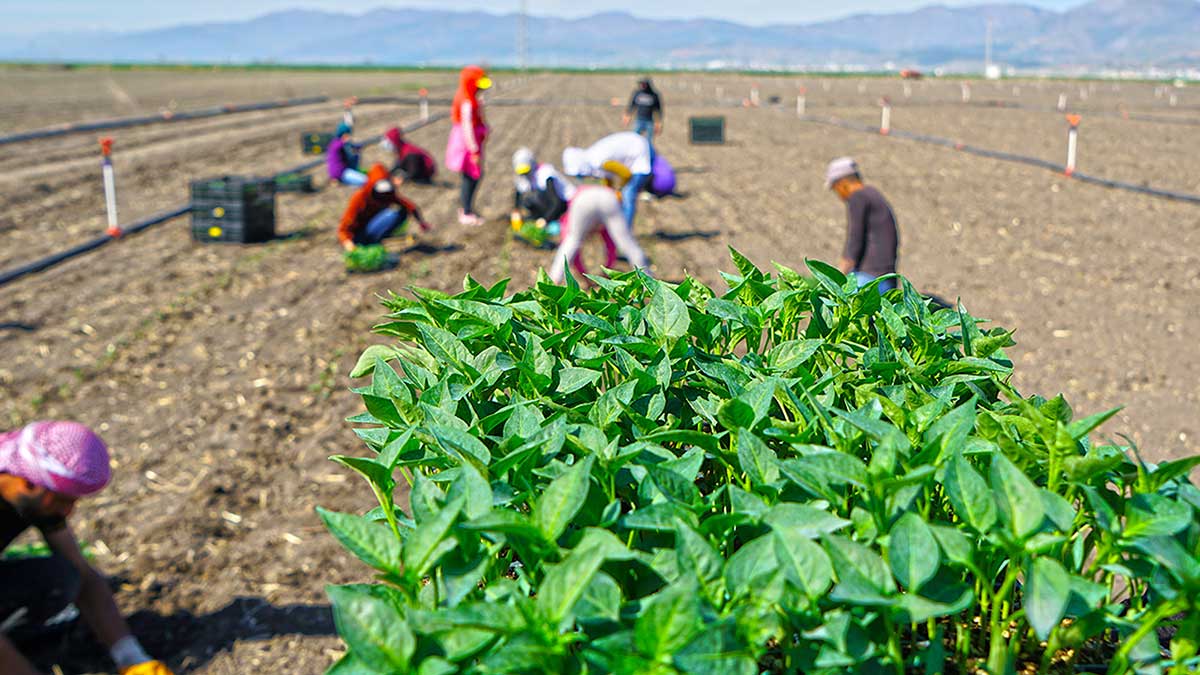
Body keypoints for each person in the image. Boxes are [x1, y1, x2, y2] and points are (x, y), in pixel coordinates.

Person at [0, 421, 174, 675]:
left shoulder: (30, 488)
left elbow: (82, 573)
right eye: (62, 500)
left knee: (60, 578)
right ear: (29, 483)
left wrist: (133, 659)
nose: (68, 511)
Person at [511, 148, 617, 276]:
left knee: (572, 240)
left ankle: (603, 270)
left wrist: (545, 220)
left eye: (526, 171)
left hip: (569, 205)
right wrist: (516, 211)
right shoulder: (524, 177)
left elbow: (557, 201)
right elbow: (519, 193)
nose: (525, 175)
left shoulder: (545, 174)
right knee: (530, 203)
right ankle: (584, 275)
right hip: (559, 206)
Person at [825, 157, 899, 293]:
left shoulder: (858, 197)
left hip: (869, 279)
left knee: (834, 306)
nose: (839, 195)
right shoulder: (872, 194)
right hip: (887, 279)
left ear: (843, 183)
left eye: (836, 189)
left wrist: (837, 278)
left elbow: (854, 242)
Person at [548, 186, 649, 285]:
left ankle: (554, 280)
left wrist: (585, 277)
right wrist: (606, 271)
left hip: (583, 198)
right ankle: (647, 278)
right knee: (626, 242)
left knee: (572, 241)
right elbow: (611, 247)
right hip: (608, 196)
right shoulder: (603, 225)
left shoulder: (569, 220)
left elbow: (574, 254)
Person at [561, 131, 653, 232]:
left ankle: (625, 232)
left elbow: (626, 174)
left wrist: (619, 189)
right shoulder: (593, 159)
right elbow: (608, 177)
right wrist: (610, 193)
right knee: (621, 196)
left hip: (638, 149)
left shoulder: (598, 161)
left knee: (628, 194)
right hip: (632, 147)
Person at [338, 164, 432, 252]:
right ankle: (370, 242)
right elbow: (344, 227)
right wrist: (347, 242)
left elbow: (409, 206)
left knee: (399, 212)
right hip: (357, 235)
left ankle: (375, 240)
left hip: (371, 228)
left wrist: (421, 222)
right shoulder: (360, 198)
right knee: (391, 213)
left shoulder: (387, 195)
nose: (382, 195)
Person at [445, 65, 492, 226]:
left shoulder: (470, 98)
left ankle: (467, 209)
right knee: (471, 176)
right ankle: (466, 211)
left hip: (469, 143)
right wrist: (474, 150)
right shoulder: (466, 101)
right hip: (467, 145)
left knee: (471, 176)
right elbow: (467, 127)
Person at [622, 77, 662, 149]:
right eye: (641, 84)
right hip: (639, 120)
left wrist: (658, 123)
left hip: (649, 122)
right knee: (634, 139)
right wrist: (627, 116)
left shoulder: (654, 95)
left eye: (644, 84)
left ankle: (649, 156)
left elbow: (658, 110)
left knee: (649, 142)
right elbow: (632, 105)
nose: (642, 85)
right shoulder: (637, 93)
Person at [327, 122, 366, 186]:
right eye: (347, 134)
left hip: (340, 172)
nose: (348, 136)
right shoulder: (338, 143)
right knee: (365, 180)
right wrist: (347, 142)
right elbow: (344, 146)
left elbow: (352, 146)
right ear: (343, 134)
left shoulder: (335, 142)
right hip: (341, 173)